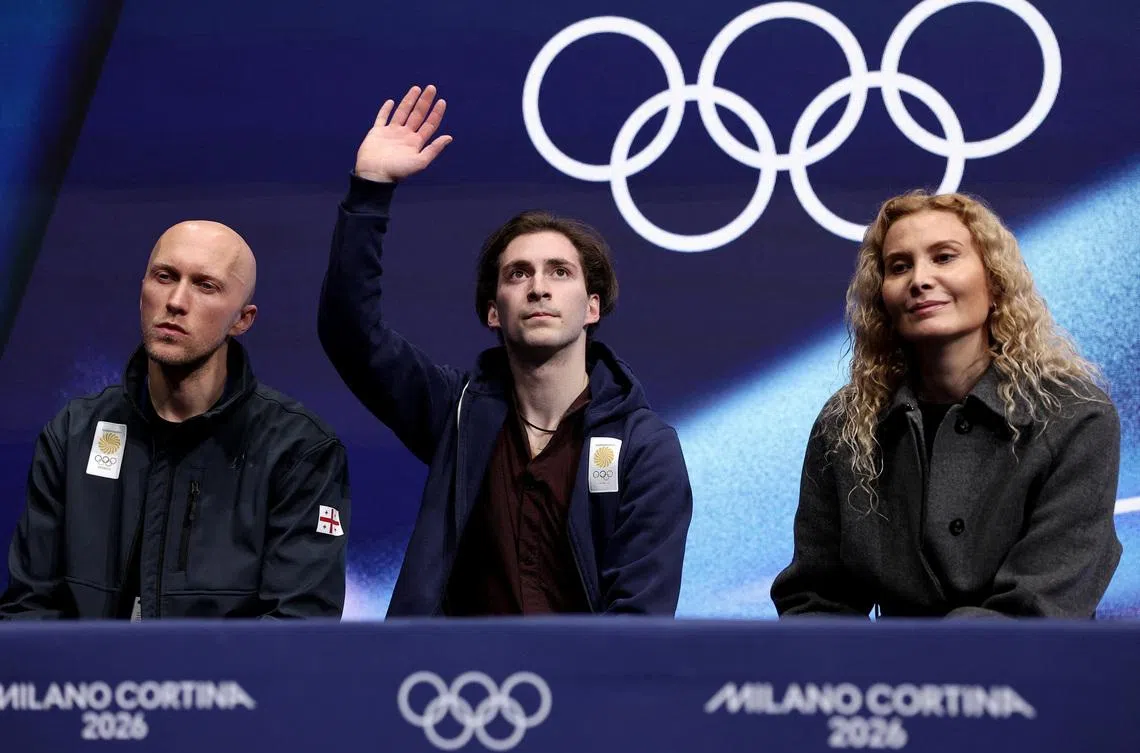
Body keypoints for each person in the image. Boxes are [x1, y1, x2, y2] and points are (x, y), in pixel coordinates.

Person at [319, 85, 692, 616]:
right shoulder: (457, 411)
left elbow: (640, 620)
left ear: (592, 308)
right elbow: (350, 333)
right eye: (518, 274)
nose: (538, 288)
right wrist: (370, 190)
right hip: (449, 691)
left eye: (559, 273)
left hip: (584, 691)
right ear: (493, 311)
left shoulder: (645, 448)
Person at [771, 190, 1122, 618]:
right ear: (884, 297)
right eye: (900, 266)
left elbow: (1038, 607)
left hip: (1029, 678)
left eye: (944, 257)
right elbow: (815, 600)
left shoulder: (1075, 414)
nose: (919, 280)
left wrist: (919, 670)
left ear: (994, 282)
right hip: (887, 681)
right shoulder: (845, 423)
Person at [1, 220, 350, 619]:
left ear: (242, 319)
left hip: (226, 682)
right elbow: (27, 610)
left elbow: (298, 629)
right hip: (90, 681)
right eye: (164, 277)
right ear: (142, 292)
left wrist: (175, 682)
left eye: (205, 285)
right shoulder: (74, 434)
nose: (176, 301)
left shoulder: (299, 451)